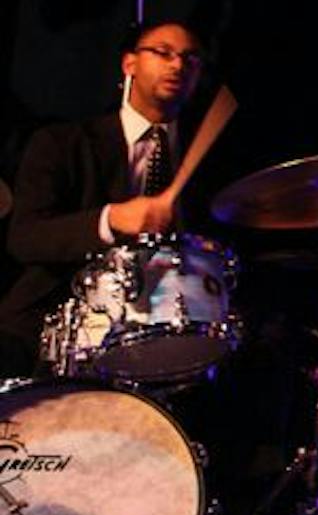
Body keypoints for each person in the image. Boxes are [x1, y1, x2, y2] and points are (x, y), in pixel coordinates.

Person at [2, 19, 207, 377]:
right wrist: (109, 220)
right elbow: (25, 238)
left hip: (165, 326)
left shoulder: (207, 158)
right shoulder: (62, 143)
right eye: (163, 53)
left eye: (190, 59)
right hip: (55, 320)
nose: (178, 65)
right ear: (130, 63)